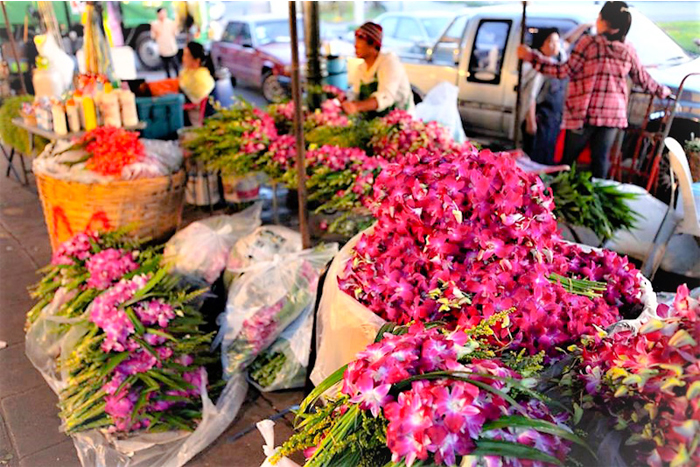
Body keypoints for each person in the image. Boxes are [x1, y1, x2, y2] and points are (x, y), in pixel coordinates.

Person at [517, 1, 671, 178]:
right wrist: (663, 91)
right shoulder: (627, 48)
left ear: (603, 21)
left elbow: (563, 71)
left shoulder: (589, 43)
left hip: (584, 115)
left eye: (599, 17)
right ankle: (598, 198)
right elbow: (643, 79)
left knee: (568, 163)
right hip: (612, 117)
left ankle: (558, 199)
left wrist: (532, 57)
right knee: (600, 162)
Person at [342, 22, 414, 119]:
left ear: (373, 44)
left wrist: (356, 106)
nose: (355, 46)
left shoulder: (389, 62)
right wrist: (345, 101)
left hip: (400, 123)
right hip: (376, 123)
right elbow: (356, 93)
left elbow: (386, 97)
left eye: (359, 41)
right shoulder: (361, 68)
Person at [179, 42, 215, 125]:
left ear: (196, 60)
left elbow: (197, 101)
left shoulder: (201, 77)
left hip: (193, 118)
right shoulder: (186, 72)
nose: (183, 58)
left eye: (186, 55)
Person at [151, 8, 179, 79]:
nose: (162, 15)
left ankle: (178, 79)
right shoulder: (154, 24)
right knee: (166, 67)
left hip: (171, 47)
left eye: (164, 13)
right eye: (161, 13)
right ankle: (169, 80)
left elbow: (176, 33)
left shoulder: (170, 23)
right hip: (162, 48)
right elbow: (153, 36)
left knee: (175, 65)